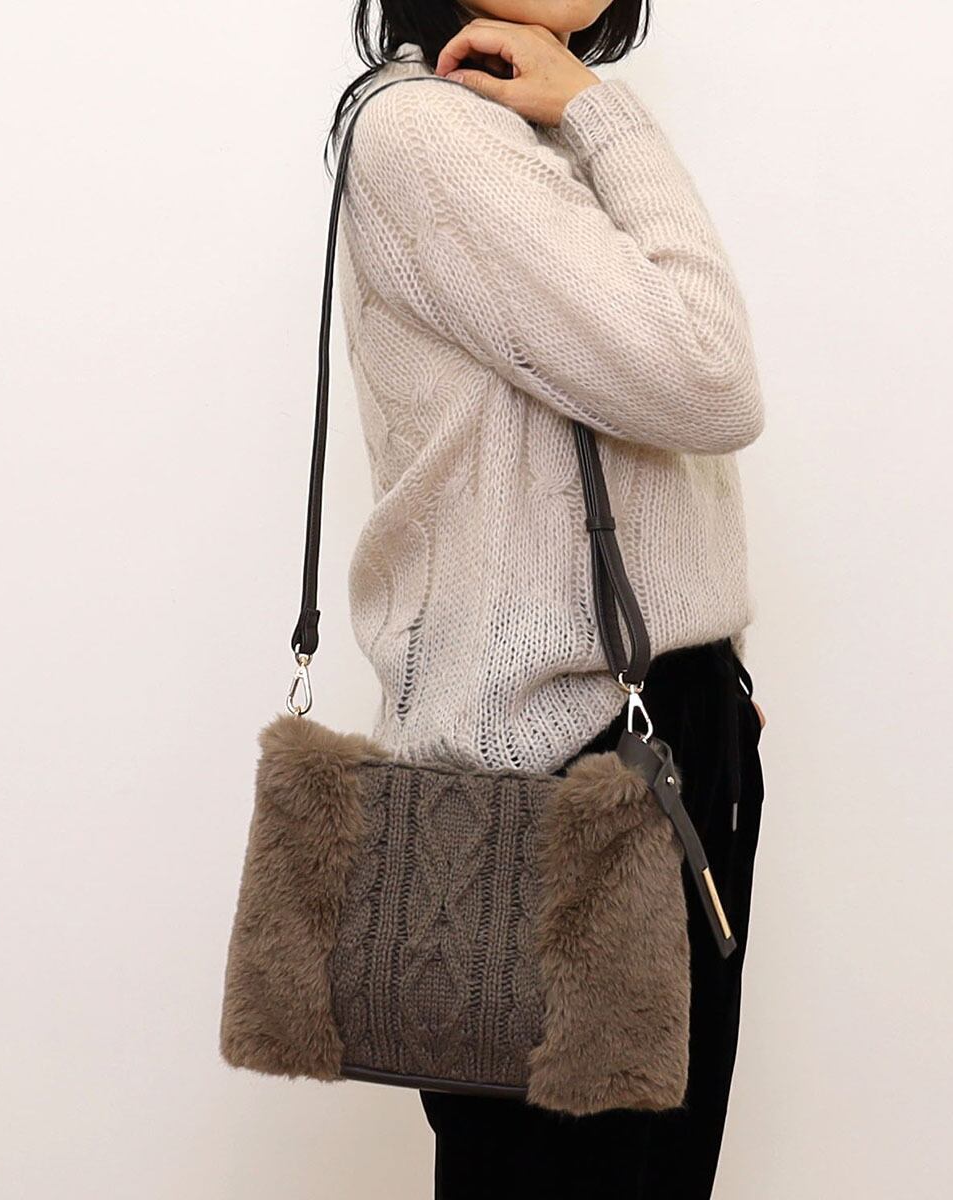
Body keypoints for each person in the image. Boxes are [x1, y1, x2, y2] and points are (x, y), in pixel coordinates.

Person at [328, 4, 768, 1196]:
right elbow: (709, 380)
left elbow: (627, 447)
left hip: (646, 733)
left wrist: (710, 661)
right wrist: (606, 114)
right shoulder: (432, 135)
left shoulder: (528, 129)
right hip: (553, 768)